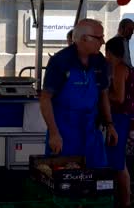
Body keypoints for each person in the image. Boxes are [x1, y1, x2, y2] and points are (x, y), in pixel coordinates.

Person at [40, 18, 118, 168]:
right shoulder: (60, 61)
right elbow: (45, 99)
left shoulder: (99, 61)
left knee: (96, 176)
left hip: (90, 129)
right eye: (99, 37)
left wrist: (109, 124)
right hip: (64, 131)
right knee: (66, 175)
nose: (103, 42)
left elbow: (103, 94)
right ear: (84, 39)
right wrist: (54, 133)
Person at [105, 37, 134, 208]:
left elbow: (119, 97)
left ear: (109, 52)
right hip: (123, 118)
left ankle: (125, 202)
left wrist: (99, 94)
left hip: (120, 119)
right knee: (119, 162)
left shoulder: (119, 68)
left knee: (119, 163)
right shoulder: (124, 68)